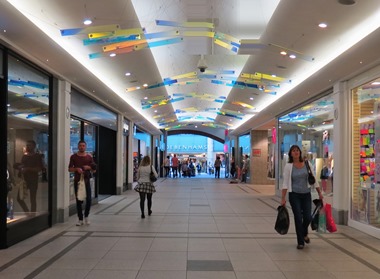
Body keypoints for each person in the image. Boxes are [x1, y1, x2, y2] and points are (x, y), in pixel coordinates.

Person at [281, 145, 323, 249]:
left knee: (308, 217)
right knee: (298, 218)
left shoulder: (307, 164)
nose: (296, 152)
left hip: (306, 194)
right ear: (291, 153)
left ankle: (304, 233)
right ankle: (300, 242)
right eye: (294, 151)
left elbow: (314, 179)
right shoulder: (288, 166)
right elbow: (285, 183)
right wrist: (283, 198)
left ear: (300, 152)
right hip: (294, 195)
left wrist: (319, 193)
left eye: (297, 150)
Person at [68, 140, 97, 226]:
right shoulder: (73, 157)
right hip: (77, 181)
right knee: (78, 200)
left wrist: (88, 167)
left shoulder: (89, 157)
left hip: (87, 181)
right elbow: (69, 169)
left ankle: (86, 216)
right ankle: (80, 219)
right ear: (78, 146)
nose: (82, 147)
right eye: (80, 145)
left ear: (86, 147)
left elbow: (94, 170)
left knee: (88, 199)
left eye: (83, 146)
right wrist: (77, 169)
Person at [15, 140, 44, 213]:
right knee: (19, 198)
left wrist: (28, 169)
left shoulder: (37, 156)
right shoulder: (25, 156)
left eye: (29, 145)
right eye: (27, 145)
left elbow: (39, 168)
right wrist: (20, 167)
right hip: (24, 179)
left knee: (33, 199)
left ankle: (33, 214)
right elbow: (22, 165)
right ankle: (27, 212)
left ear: (34, 146)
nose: (28, 147)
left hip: (33, 180)